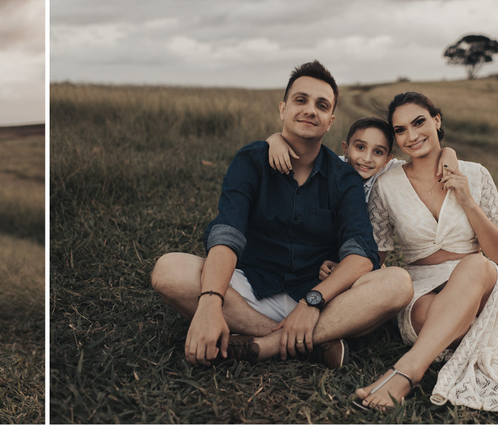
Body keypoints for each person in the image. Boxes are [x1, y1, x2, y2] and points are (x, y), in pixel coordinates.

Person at [150, 61, 414, 370]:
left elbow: (361, 253)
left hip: (319, 298)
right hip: (250, 287)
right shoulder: (251, 160)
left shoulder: (344, 177)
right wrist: (210, 301)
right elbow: (227, 232)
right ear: (283, 108)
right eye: (301, 100)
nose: (310, 110)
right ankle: (309, 343)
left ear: (329, 121)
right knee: (169, 270)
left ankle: (263, 346)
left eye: (321, 105)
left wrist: (313, 301)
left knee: (398, 283)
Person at [353, 91, 498, 411]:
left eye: (419, 122)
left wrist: (466, 197)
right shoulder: (387, 184)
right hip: (422, 289)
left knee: (478, 265)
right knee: (453, 329)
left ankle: (406, 372)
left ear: (436, 119)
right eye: (400, 130)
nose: (412, 136)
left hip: (478, 282)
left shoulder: (477, 173)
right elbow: (378, 255)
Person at [265, 116, 460, 202]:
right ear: (346, 149)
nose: (366, 159)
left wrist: (448, 152)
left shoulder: (389, 170)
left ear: (387, 159)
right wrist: (275, 139)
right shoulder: (332, 166)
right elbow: (301, 159)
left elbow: (422, 165)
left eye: (378, 152)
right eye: (360, 147)